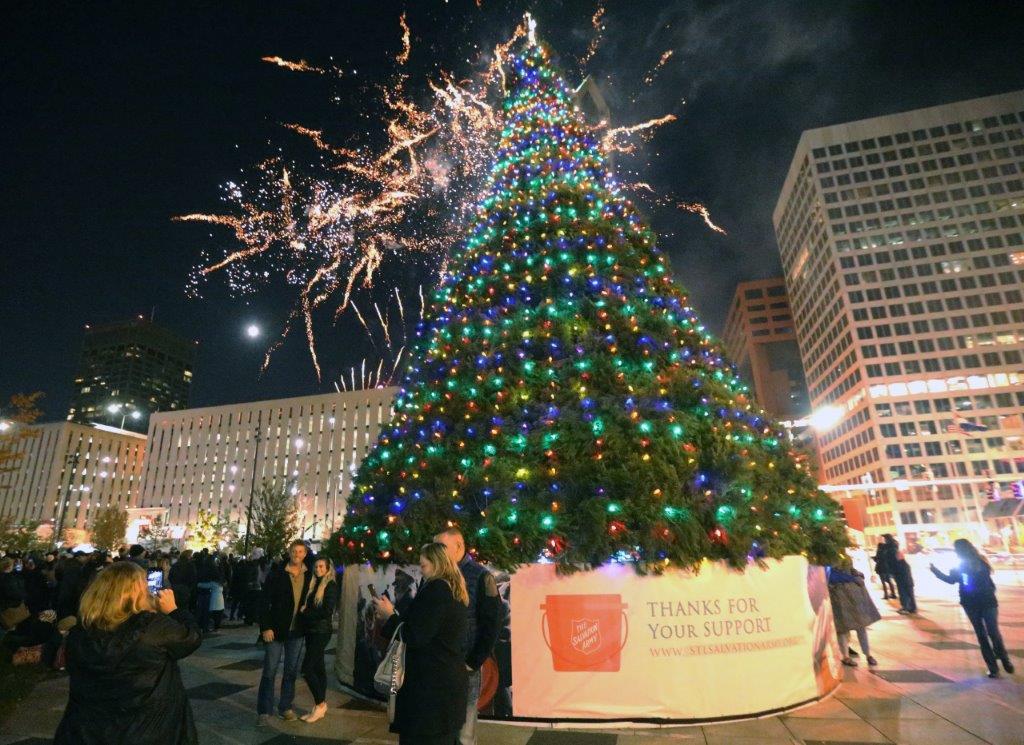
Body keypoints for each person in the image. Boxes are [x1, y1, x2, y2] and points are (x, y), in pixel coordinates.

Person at [54, 561, 201, 744]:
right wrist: (174, 610)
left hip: (87, 730)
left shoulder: (80, 633)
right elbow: (191, 637)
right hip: (147, 729)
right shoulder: (153, 628)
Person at [374, 542, 469, 745]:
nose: (421, 570)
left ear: (437, 564)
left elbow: (416, 635)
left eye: (424, 566)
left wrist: (389, 616)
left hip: (430, 692)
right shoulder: (453, 590)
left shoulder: (437, 590)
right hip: (446, 687)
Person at [435, 528, 501, 745]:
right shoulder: (437, 576)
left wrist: (474, 662)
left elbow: (492, 624)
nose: (439, 553)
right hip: (439, 663)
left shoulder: (482, 576)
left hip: (465, 664)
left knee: (465, 729)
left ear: (459, 546)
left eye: (442, 548)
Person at [931, 539, 1015, 678]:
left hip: (974, 603)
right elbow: (987, 581)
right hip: (985, 602)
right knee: (992, 632)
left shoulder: (964, 565)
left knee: (983, 634)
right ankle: (1001, 661)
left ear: (958, 551)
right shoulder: (979, 561)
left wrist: (935, 571)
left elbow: (951, 580)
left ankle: (996, 665)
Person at [257, 540, 311, 724]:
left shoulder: (309, 575)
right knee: (270, 670)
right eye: (294, 551)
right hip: (276, 630)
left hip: (296, 631)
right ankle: (264, 710)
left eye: (301, 551)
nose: (297, 554)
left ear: (305, 554)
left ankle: (285, 707)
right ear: (289, 552)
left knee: (290, 671)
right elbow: (264, 601)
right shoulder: (277, 573)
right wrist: (265, 627)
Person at [298, 557, 338, 723]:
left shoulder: (330, 585)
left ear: (328, 568)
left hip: (321, 631)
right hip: (311, 631)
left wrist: (305, 613)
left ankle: (320, 704)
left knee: (307, 669)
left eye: (321, 566)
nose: (318, 569)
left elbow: (327, 611)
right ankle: (319, 706)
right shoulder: (314, 584)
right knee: (319, 667)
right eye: (316, 566)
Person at [828, 565, 881, 667]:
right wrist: (851, 578)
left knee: (860, 627)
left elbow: (848, 568)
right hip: (838, 597)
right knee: (842, 629)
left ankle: (868, 654)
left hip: (852, 597)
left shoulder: (844, 557)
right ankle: (845, 657)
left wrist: (856, 572)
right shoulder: (827, 558)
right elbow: (830, 575)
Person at [893, 541, 917, 615]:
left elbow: (902, 574)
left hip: (905, 583)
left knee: (906, 596)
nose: (897, 557)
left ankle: (909, 609)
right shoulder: (903, 563)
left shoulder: (901, 564)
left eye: (898, 556)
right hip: (908, 582)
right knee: (909, 596)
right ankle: (911, 608)